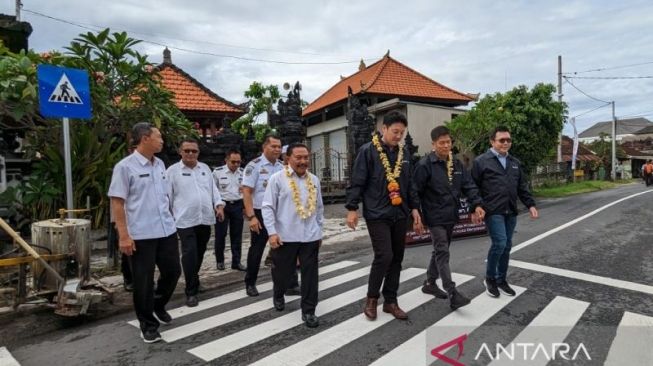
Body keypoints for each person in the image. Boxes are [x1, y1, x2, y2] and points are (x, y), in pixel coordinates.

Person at [345, 110, 422, 321]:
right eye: (395, 131)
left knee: (397, 258)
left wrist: (415, 209)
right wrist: (352, 208)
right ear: (384, 129)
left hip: (400, 213)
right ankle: (371, 299)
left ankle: (391, 301)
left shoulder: (404, 154)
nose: (398, 136)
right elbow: (357, 180)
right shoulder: (368, 151)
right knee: (384, 255)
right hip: (377, 213)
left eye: (402, 133)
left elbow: (410, 184)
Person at [108, 122, 181, 344]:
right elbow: (117, 203)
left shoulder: (160, 164)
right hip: (140, 235)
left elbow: (165, 198)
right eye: (158, 137)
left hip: (166, 230)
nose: (162, 140)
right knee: (143, 281)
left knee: (173, 272)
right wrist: (123, 236)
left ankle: (158, 304)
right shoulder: (125, 167)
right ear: (145, 139)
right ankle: (148, 325)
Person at [412, 126, 485, 310]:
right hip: (434, 216)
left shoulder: (457, 165)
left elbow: (468, 186)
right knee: (443, 251)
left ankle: (429, 283)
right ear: (433, 144)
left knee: (439, 251)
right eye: (441, 143)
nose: (446, 146)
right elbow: (414, 192)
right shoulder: (424, 165)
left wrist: (476, 204)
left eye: (448, 142)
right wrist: (416, 215)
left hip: (451, 215)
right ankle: (452, 293)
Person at [471, 126, 538, 298]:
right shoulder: (481, 161)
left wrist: (530, 204)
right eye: (502, 140)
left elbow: (521, 187)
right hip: (493, 211)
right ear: (492, 141)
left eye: (508, 140)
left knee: (507, 246)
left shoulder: (514, 162)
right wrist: (476, 206)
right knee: (499, 243)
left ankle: (501, 279)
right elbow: (472, 187)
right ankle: (490, 279)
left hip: (511, 210)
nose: (506, 143)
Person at [262, 143, 324, 328]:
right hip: (285, 236)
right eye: (299, 157)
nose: (303, 161)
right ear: (288, 158)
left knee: (310, 275)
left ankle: (309, 310)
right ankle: (278, 293)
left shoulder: (314, 180)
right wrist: (272, 233)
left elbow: (319, 208)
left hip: (310, 236)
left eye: (306, 157)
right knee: (282, 273)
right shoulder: (277, 179)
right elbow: (267, 207)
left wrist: (319, 232)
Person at [167, 137, 225, 307]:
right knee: (189, 253)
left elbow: (214, 191)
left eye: (194, 151)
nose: (191, 154)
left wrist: (219, 205)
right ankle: (191, 291)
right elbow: (167, 196)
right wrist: (169, 217)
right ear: (180, 152)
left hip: (205, 218)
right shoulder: (172, 171)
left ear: (198, 152)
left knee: (199, 253)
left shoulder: (205, 169)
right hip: (184, 220)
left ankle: (195, 279)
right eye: (187, 151)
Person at [241, 134, 284, 297]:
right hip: (259, 213)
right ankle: (250, 282)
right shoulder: (254, 166)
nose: (277, 149)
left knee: (284, 248)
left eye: (279, 147)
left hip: (279, 213)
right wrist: (251, 217)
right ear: (264, 147)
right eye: (273, 146)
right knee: (257, 249)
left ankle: (289, 282)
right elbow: (246, 191)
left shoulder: (282, 166)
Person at [213, 149, 247, 272]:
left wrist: (245, 207)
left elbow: (246, 191)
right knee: (220, 235)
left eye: (239, 162)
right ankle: (220, 261)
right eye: (233, 162)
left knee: (237, 235)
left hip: (238, 205)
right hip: (223, 205)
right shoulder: (217, 172)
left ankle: (236, 262)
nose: (236, 165)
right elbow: (213, 191)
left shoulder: (243, 173)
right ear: (226, 160)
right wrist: (217, 207)